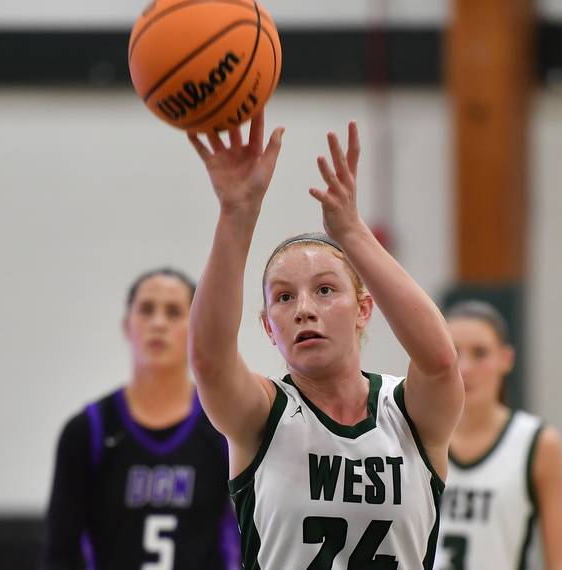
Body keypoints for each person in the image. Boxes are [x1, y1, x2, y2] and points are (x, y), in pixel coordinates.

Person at [186, 113, 464, 569]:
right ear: (267, 327)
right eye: (284, 297)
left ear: (363, 309)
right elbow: (210, 360)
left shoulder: (408, 414)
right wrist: (238, 213)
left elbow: (439, 361)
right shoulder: (263, 415)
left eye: (325, 289)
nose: (304, 309)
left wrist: (352, 234)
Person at [42, 268, 239, 570]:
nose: (158, 323)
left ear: (195, 328)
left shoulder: (223, 427)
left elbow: (250, 543)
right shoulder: (87, 431)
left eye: (173, 312)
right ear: (126, 325)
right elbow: (60, 552)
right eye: (146, 310)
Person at [433, 300, 562, 570]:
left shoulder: (538, 442)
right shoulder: (415, 433)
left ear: (506, 359)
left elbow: (561, 562)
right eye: (454, 353)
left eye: (480, 353)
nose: (465, 368)